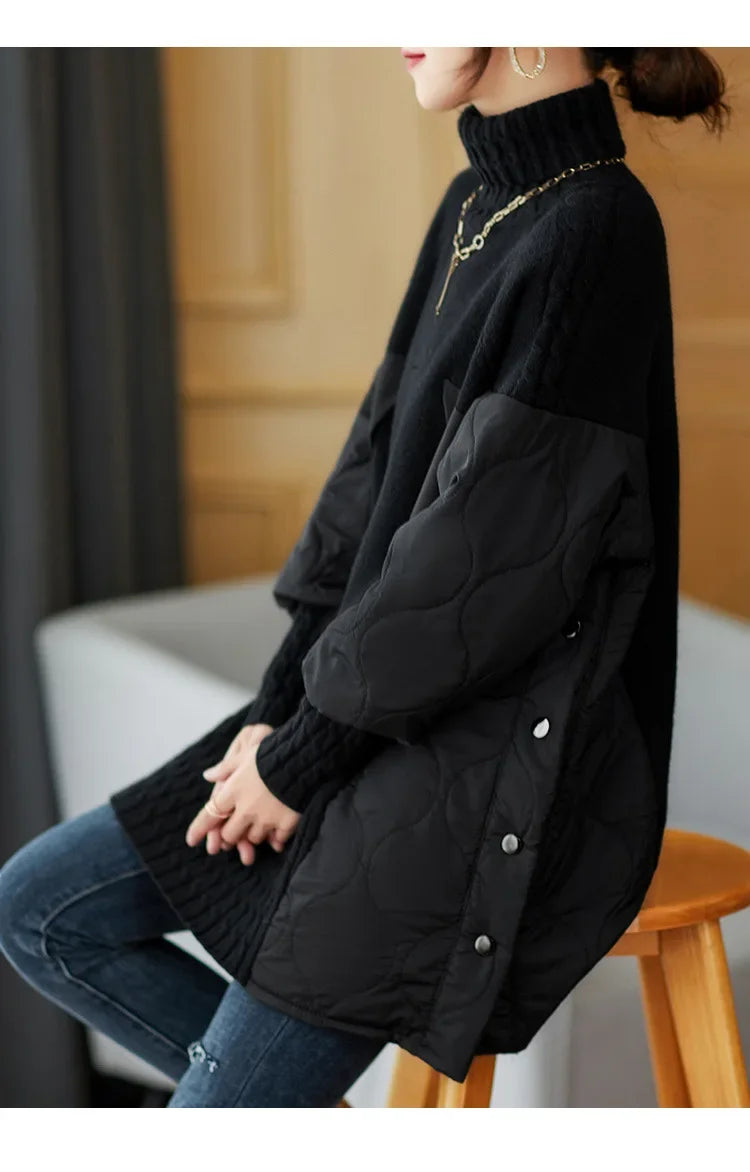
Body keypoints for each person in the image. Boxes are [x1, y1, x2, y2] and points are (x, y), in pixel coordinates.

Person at [0, 47, 729, 1108]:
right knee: (39, 908)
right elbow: (370, 492)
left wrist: (300, 762)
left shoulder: (596, 228)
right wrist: (278, 714)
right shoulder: (476, 202)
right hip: (362, 718)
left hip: (483, 760)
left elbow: (483, 566)